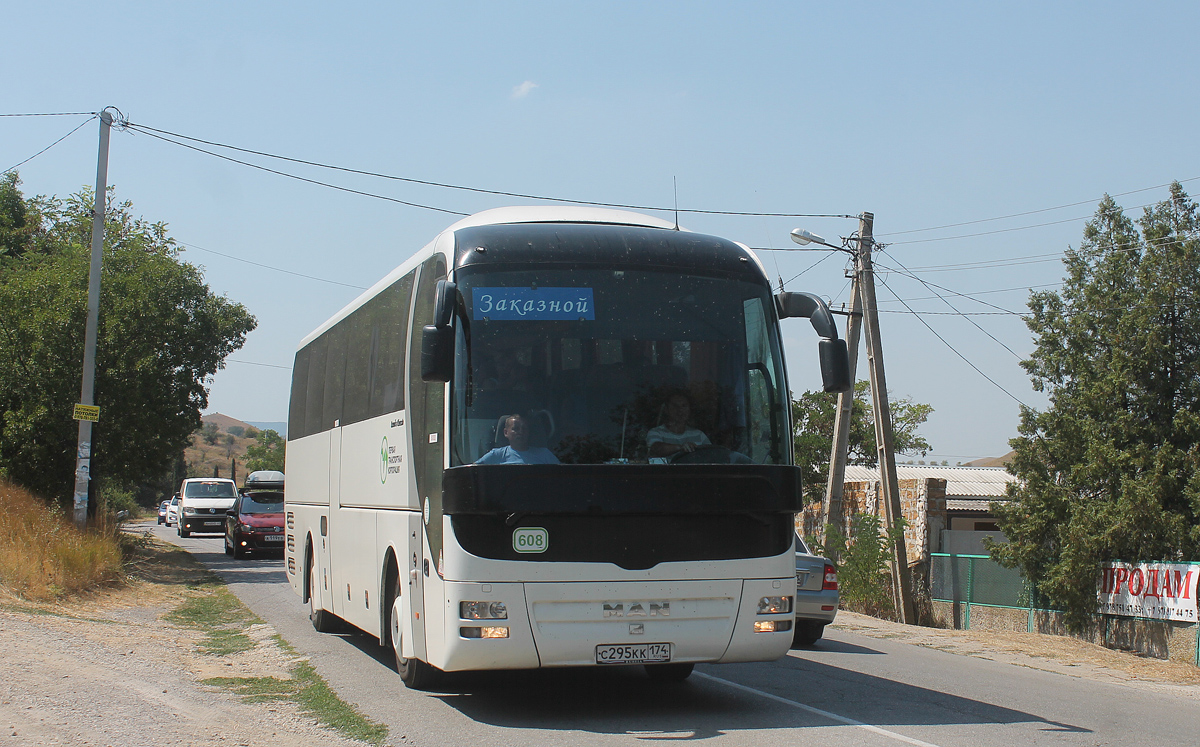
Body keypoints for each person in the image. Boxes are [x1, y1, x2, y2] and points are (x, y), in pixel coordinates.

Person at [476, 414, 559, 465]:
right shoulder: (496, 455)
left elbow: (562, 475)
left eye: (524, 429)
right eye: (515, 428)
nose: (520, 432)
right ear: (506, 432)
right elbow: (473, 472)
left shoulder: (544, 454)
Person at [647, 393, 711, 459]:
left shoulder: (699, 435)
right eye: (675, 406)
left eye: (684, 406)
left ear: (689, 409)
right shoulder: (656, 432)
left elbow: (712, 455)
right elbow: (656, 449)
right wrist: (680, 447)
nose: (680, 410)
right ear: (666, 410)